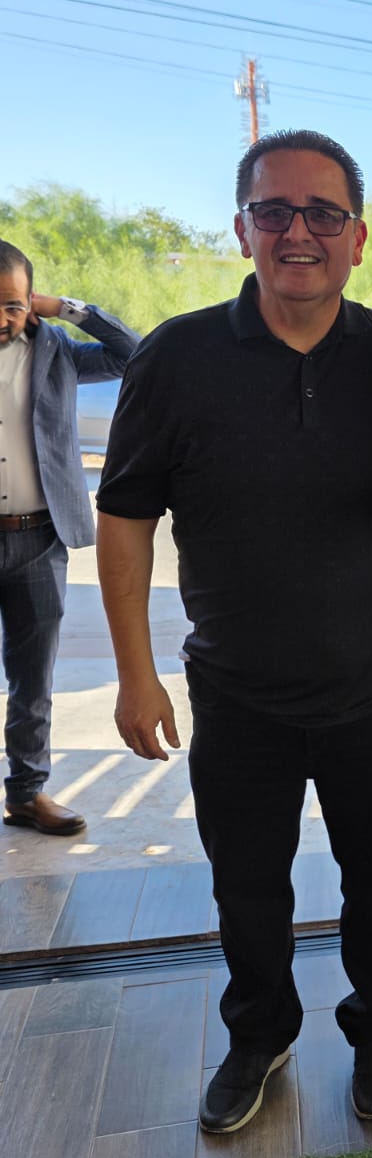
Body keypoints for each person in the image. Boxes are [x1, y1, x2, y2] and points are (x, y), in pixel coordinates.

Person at [96, 131, 372, 1135]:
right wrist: (135, 675)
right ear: (242, 229)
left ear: (358, 237)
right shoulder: (176, 357)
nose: (298, 232)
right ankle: (260, 1032)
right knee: (247, 887)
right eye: (274, 211)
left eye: (324, 212)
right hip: (237, 696)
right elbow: (124, 516)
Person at [0, 240, 137, 836]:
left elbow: (133, 353)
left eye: (12, 305)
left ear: (31, 301)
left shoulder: (55, 349)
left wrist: (65, 308)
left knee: (33, 680)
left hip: (38, 539)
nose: (1, 318)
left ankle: (27, 794)